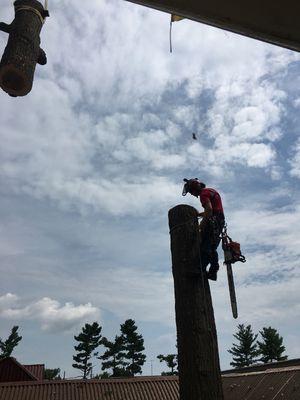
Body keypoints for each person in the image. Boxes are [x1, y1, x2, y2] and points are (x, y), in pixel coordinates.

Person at [182, 178, 225, 281]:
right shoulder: (210, 191)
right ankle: (213, 271)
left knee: (205, 246)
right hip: (219, 220)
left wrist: (201, 226)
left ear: (194, 189)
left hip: (214, 220)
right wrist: (198, 214)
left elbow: (209, 210)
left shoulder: (203, 194)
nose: (192, 194)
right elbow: (212, 210)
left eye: (191, 192)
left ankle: (199, 270)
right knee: (212, 246)